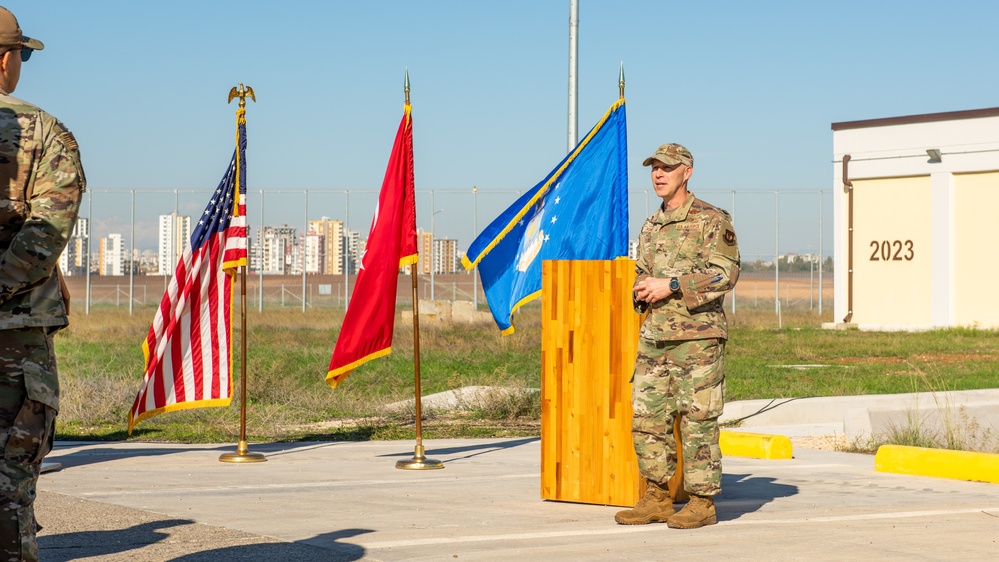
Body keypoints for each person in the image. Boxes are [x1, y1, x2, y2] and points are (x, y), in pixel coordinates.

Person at [615, 143, 739, 529]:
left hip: (698, 339)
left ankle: (702, 502)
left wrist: (670, 284)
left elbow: (726, 273)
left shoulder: (711, 219)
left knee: (698, 420)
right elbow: (642, 270)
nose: (658, 174)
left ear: (687, 171)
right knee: (647, 418)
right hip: (655, 337)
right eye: (654, 168)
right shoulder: (651, 225)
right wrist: (641, 288)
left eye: (667, 167)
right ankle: (656, 496)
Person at [0, 6, 86, 560]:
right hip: (17, 335)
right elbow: (46, 229)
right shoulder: (46, 134)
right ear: (6, 59)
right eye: (23, 55)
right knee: (9, 483)